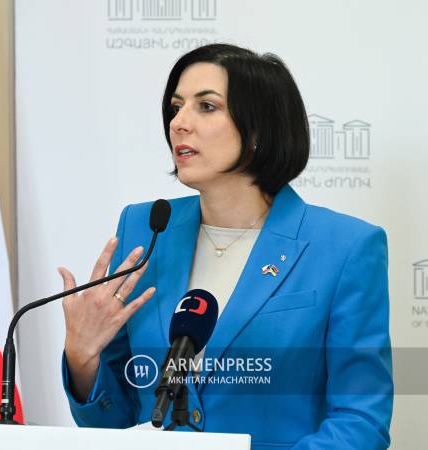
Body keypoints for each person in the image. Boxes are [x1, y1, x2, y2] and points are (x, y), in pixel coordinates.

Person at [58, 44, 393, 449]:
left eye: (207, 106)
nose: (179, 123)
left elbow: (361, 421)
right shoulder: (145, 230)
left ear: (259, 131)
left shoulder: (345, 248)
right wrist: (83, 359)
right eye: (176, 107)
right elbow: (115, 421)